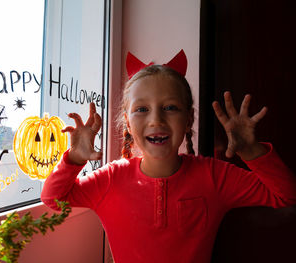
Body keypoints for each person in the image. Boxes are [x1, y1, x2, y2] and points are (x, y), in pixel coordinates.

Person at [41, 63, 296, 263]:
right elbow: (53, 198)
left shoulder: (214, 176)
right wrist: (74, 159)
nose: (156, 120)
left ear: (188, 120)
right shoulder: (111, 179)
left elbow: (285, 196)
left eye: (170, 107)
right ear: (128, 124)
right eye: (142, 109)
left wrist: (251, 150)